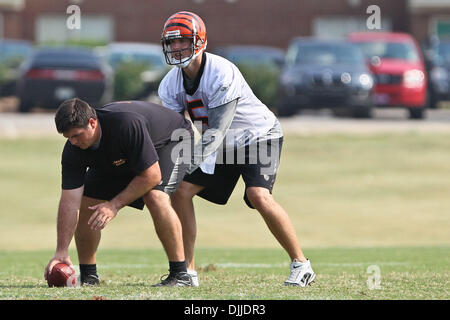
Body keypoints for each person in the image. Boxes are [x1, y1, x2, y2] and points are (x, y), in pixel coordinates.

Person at [158, 11, 315, 287]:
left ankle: (301, 264)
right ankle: (187, 272)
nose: (176, 47)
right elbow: (176, 134)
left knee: (258, 196)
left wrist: (186, 162)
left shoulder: (221, 72)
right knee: (181, 191)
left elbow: (217, 131)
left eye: (183, 40)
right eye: (172, 42)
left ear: (199, 41)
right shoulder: (169, 84)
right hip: (220, 145)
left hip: (258, 136)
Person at [44, 98, 195, 287]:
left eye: (77, 135)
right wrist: (61, 250)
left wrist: (113, 205)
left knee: (155, 196)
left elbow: (152, 176)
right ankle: (90, 276)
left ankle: (181, 275)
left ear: (92, 122)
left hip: (171, 140)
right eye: (68, 138)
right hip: (120, 154)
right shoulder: (74, 149)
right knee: (86, 203)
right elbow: (69, 202)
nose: (73, 142)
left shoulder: (126, 124)